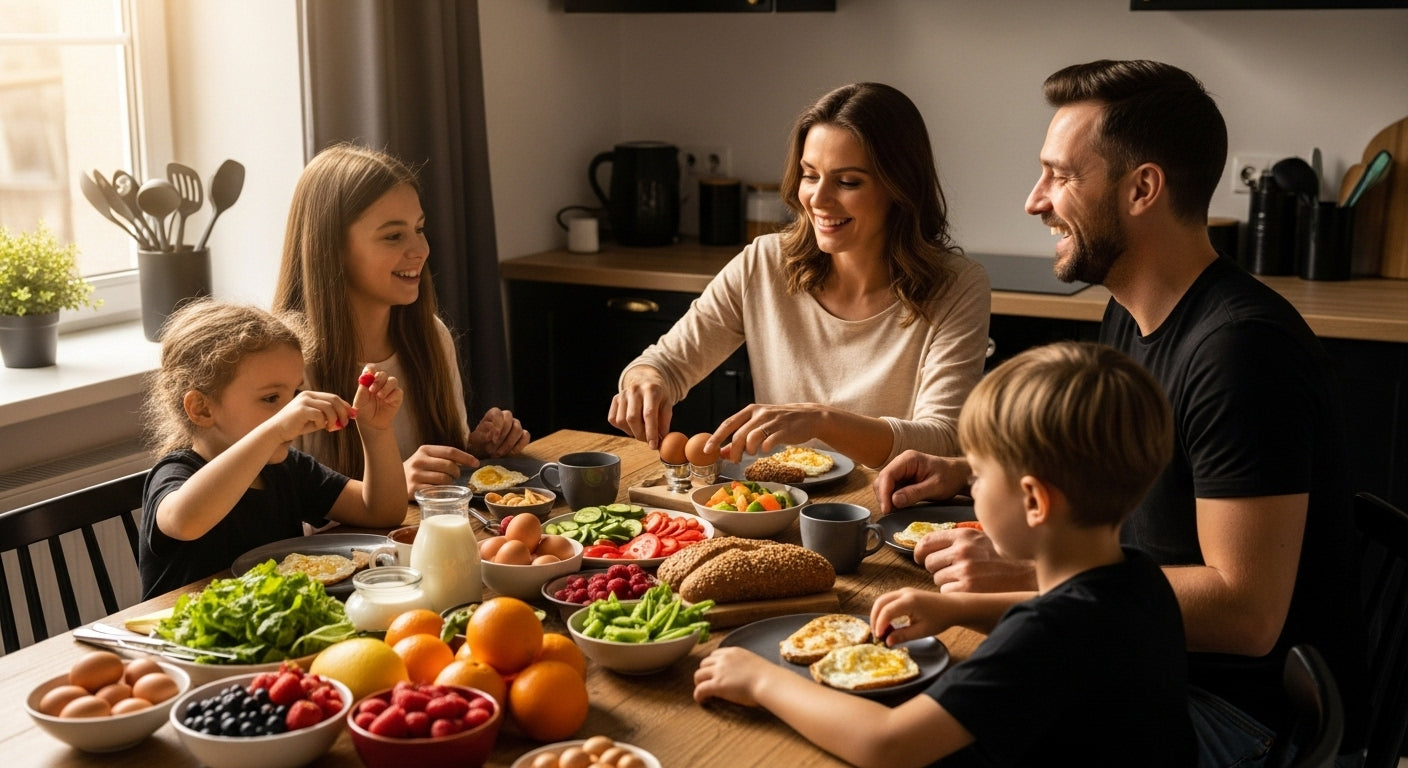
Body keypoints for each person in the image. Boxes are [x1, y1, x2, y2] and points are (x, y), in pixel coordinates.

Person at [873, 60, 1367, 766]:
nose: (1034, 201)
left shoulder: (1241, 353)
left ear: (1142, 189)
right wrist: (972, 470)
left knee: (921, 740)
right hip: (1139, 658)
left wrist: (1027, 575)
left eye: (1060, 175)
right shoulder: (1135, 311)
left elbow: (1245, 611)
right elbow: (1118, 483)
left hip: (1234, 717)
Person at [694, 341, 1193, 767]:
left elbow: (889, 743)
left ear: (1034, 501)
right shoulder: (1139, 577)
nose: (971, 488)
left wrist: (762, 682)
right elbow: (1075, 619)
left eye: (977, 476)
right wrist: (956, 608)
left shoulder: (1042, 639)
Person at [608, 82, 990, 469]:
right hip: (781, 504)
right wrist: (645, 381)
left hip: (890, 509)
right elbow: (666, 364)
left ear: (901, 188)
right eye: (810, 175)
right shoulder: (763, 262)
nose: (819, 200)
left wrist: (820, 420)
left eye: (848, 182)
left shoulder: (957, 287)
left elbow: (942, 440)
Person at [273, 143, 529, 498]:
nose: (420, 250)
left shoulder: (432, 336)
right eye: (394, 235)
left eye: (419, 229)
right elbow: (284, 519)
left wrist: (473, 448)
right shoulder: (283, 366)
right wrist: (390, 485)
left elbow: (437, 482)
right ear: (331, 248)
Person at [137, 300, 407, 599]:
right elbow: (186, 522)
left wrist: (376, 430)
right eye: (271, 399)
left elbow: (382, 511)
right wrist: (275, 429)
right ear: (201, 408)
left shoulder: (286, 469)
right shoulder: (177, 472)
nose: (291, 409)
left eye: (294, 393)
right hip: (178, 641)